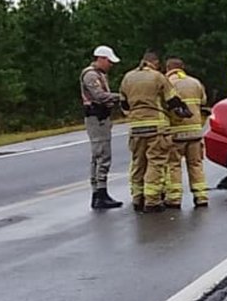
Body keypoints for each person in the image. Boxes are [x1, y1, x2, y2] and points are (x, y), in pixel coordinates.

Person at [120, 51, 192, 212]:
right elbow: (172, 100)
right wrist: (183, 111)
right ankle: (152, 201)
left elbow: (123, 104)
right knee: (156, 162)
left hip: (136, 128)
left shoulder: (127, 77)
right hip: (156, 127)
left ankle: (137, 198)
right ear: (155, 63)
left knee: (138, 163)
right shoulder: (158, 77)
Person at [164, 58, 211, 208]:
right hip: (195, 131)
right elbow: (203, 101)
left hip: (175, 132)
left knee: (174, 165)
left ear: (168, 68)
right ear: (182, 68)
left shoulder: (166, 83)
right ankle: (201, 196)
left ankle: (174, 198)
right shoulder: (195, 82)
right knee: (196, 164)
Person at [81, 45, 124, 210]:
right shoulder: (91, 75)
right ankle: (99, 194)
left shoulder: (100, 74)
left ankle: (101, 192)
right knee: (101, 155)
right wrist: (121, 97)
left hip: (102, 117)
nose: (111, 65)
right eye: (109, 61)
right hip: (96, 118)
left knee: (100, 155)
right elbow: (98, 95)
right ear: (101, 59)